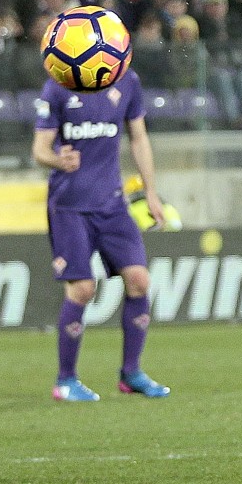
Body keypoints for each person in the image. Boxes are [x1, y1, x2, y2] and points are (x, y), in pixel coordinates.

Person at [32, 69, 171, 402]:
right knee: (82, 288)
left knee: (139, 280)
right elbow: (39, 150)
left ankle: (131, 373)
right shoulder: (58, 86)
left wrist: (151, 192)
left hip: (113, 204)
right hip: (70, 206)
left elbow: (139, 137)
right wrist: (58, 160)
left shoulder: (128, 81)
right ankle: (66, 380)